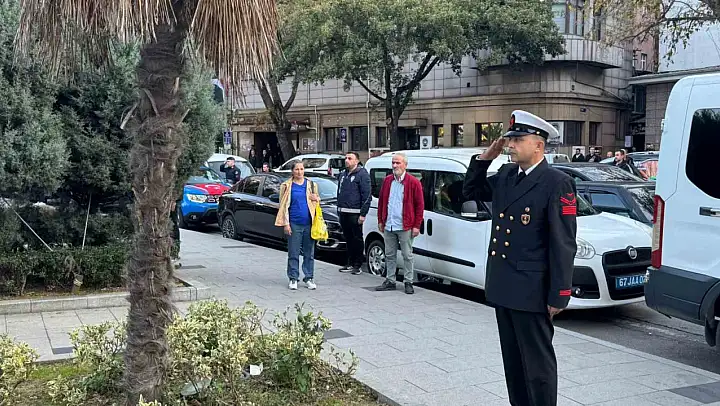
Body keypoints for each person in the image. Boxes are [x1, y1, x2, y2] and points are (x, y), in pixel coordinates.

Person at [462, 110, 578, 406]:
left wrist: (560, 293)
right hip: (504, 285)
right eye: (509, 139)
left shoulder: (557, 182)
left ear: (538, 145)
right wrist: (485, 157)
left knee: (537, 367)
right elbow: (471, 191)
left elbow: (563, 242)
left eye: (517, 140)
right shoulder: (506, 175)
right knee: (513, 364)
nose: (510, 145)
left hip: (532, 289)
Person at [375, 153, 424, 295]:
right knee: (389, 254)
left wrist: (417, 225)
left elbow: (419, 206)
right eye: (393, 163)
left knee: (407, 255)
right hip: (389, 224)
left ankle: (408, 281)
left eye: (398, 163)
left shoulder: (413, 182)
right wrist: (380, 220)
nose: (395, 165)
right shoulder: (387, 181)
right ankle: (390, 280)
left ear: (405, 165)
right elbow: (382, 202)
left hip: (405, 225)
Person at [275, 161, 321, 290]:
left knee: (309, 253)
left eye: (301, 169)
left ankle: (309, 277)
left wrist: (316, 199)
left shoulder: (311, 185)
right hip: (294, 223)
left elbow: (317, 202)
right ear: (292, 171)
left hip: (309, 223)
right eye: (297, 169)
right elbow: (283, 206)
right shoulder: (286, 186)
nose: (299, 172)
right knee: (293, 252)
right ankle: (293, 278)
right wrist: (286, 224)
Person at [337, 152, 371, 275]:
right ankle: (350, 263)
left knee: (357, 238)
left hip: (355, 213)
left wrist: (363, 213)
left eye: (350, 158)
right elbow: (339, 191)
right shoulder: (343, 174)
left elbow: (367, 195)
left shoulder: (362, 174)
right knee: (348, 239)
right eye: (346, 158)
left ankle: (358, 264)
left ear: (356, 161)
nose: (346, 160)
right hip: (343, 211)